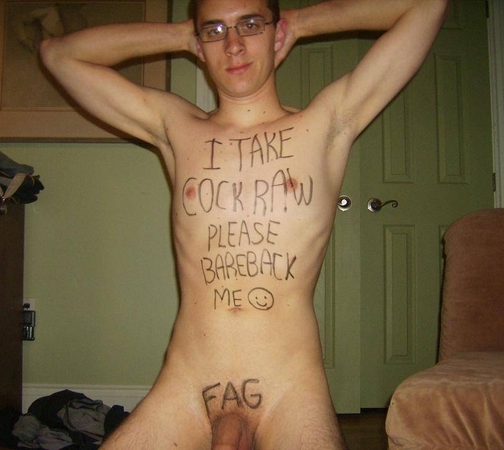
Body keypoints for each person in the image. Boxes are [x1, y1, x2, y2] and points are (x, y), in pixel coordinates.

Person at [40, 0, 449, 448]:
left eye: (250, 25)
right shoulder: (176, 126)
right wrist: (184, 36)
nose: (233, 45)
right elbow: (59, 55)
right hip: (187, 385)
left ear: (276, 34)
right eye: (216, 30)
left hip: (289, 388)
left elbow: (426, 5)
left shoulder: (325, 122)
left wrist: (299, 23)